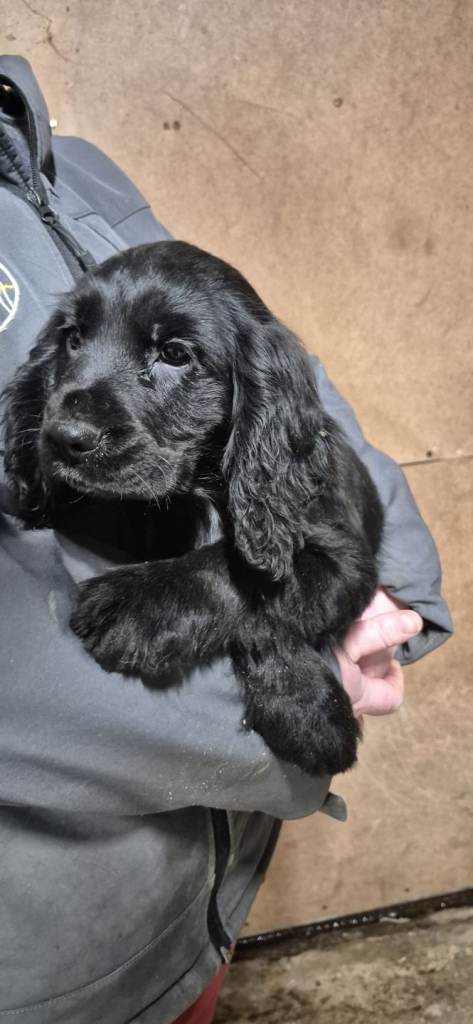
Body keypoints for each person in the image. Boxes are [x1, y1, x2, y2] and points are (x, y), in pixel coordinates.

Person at [0, 56, 453, 1024]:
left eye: (163, 355)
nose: (77, 413)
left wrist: (395, 589)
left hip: (193, 897)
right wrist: (290, 678)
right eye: (75, 343)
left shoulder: (75, 167)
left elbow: (295, 396)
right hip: (47, 945)